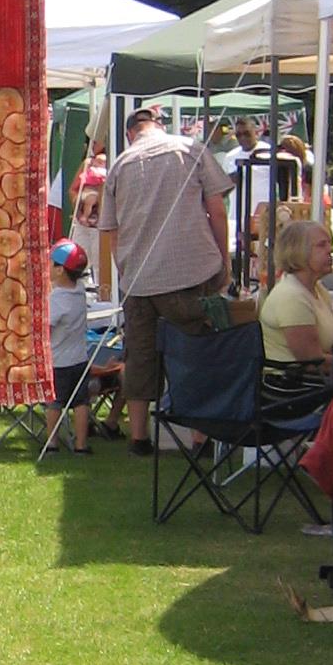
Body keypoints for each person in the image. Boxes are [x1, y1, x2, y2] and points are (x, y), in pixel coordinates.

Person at [97, 103, 231, 454]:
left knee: (140, 358)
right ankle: (200, 438)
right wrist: (225, 259)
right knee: (197, 354)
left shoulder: (119, 165)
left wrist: (126, 272)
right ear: (159, 124)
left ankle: (139, 438)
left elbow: (111, 230)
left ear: (130, 133)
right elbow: (217, 210)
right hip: (190, 271)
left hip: (140, 280)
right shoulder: (190, 148)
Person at [259, 216, 333, 416]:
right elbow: (311, 361)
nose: (330, 250)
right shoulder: (292, 297)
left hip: (312, 382)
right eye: (321, 245)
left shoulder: (318, 290)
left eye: (329, 243)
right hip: (291, 389)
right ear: (298, 251)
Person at [45, 240, 118, 454]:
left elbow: (46, 327)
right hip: (80, 359)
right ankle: (81, 445)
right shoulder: (79, 292)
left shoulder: (57, 299)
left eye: (51, 262)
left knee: (54, 402)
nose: (47, 266)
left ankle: (52, 443)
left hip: (59, 361)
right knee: (81, 402)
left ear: (60, 270)